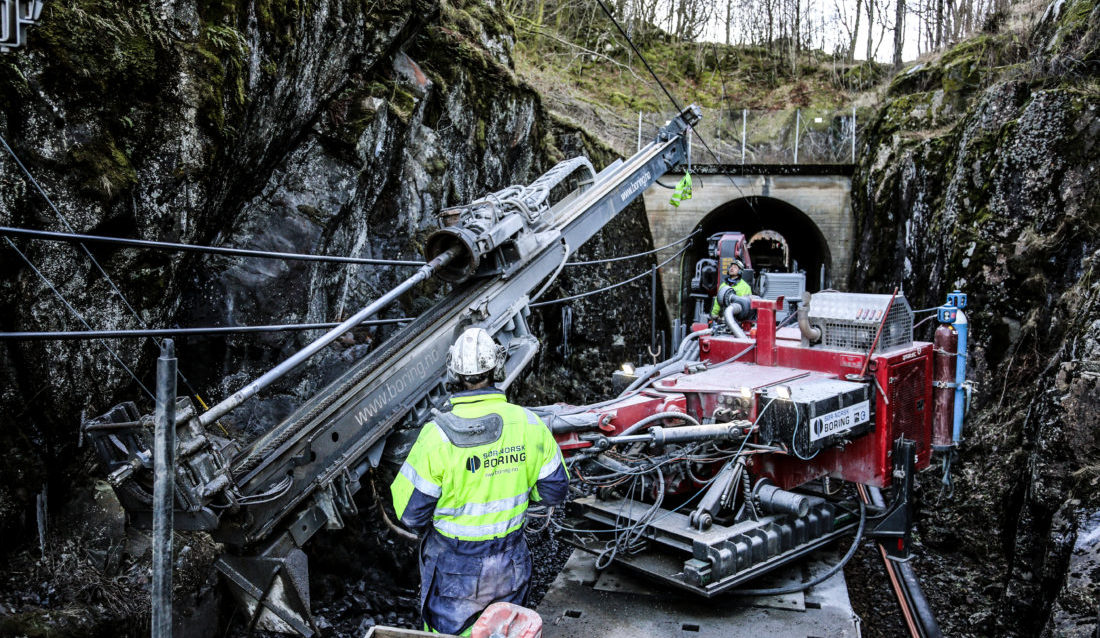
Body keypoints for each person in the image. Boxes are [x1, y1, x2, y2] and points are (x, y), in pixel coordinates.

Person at [390, 327, 569, 636]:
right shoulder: (528, 424)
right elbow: (555, 490)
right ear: (497, 368)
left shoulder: (436, 436)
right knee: (506, 630)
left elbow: (410, 514)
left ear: (453, 373)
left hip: (454, 570)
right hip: (510, 561)